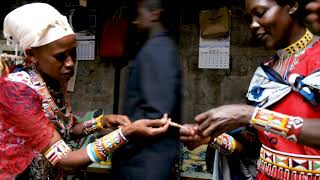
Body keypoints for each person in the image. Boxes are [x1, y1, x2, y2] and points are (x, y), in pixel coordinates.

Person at [0, 3, 171, 179]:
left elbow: (69, 130)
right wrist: (125, 133)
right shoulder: (17, 92)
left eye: (73, 53)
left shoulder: (50, 79)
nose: (70, 63)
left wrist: (101, 122)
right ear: (31, 55)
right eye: (60, 56)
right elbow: (65, 160)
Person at [180, 0, 320, 179]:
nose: (253, 25)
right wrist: (213, 138)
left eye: (260, 13)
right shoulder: (265, 72)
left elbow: (254, 118)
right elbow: (253, 144)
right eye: (249, 18)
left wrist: (250, 115)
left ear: (291, 5)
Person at [111, 0, 182, 179]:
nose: (135, 22)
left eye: (138, 15)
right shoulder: (155, 48)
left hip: (144, 161)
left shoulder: (157, 50)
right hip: (144, 158)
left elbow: (156, 115)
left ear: (154, 14)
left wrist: (122, 138)